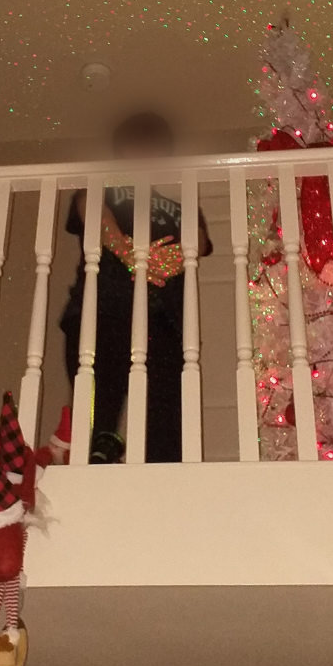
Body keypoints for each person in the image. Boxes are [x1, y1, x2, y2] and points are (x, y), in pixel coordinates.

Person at [60, 112, 212, 463]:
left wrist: (166, 260)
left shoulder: (180, 205)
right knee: (100, 397)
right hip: (102, 310)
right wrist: (131, 254)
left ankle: (164, 474)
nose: (145, 151)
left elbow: (199, 240)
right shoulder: (105, 188)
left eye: (153, 145)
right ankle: (95, 457)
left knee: (165, 404)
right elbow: (90, 209)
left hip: (164, 319)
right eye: (137, 145)